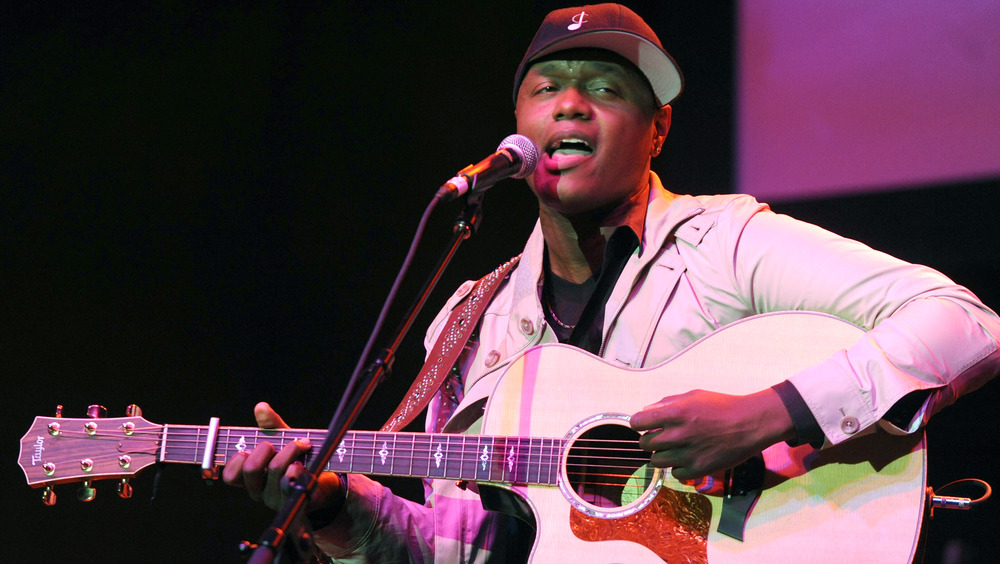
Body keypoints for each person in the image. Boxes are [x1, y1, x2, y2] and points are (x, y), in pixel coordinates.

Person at [223, 4, 1000, 562]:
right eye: (546, 86)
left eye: (604, 88)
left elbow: (964, 322)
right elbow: (463, 548)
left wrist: (772, 412)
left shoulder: (726, 245)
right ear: (520, 123)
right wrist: (333, 508)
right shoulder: (473, 321)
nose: (569, 103)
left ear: (657, 128)